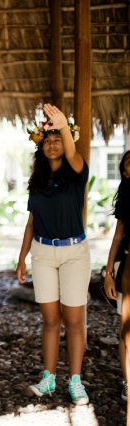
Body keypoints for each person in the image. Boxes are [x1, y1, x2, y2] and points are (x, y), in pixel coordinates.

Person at [16, 104, 90, 405]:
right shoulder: (37, 182)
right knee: (49, 320)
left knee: (73, 320)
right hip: (43, 253)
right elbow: (31, 222)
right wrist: (21, 259)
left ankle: (75, 380)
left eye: (57, 138)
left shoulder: (77, 172)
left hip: (74, 252)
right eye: (47, 140)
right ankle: (48, 379)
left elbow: (73, 153)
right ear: (40, 148)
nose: (52, 143)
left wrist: (61, 126)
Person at [103, 150, 130, 401]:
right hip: (127, 270)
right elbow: (117, 238)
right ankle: (127, 381)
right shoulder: (125, 200)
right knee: (126, 329)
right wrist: (108, 273)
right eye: (129, 163)